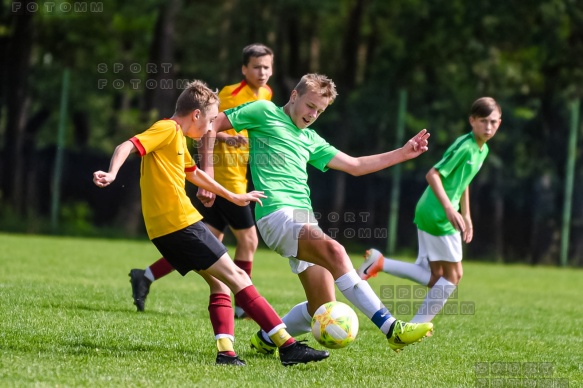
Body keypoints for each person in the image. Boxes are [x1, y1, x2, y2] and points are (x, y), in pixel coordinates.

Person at [93, 80, 329, 366]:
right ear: (195, 114)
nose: (209, 130)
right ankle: (287, 345)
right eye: (208, 121)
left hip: (164, 231)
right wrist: (112, 173)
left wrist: (232, 195)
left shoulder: (178, 139)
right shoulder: (167, 129)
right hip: (182, 224)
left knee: (219, 284)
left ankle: (226, 353)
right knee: (239, 278)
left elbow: (193, 174)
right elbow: (126, 145)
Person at [207, 73, 434, 353]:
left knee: (324, 308)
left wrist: (402, 153)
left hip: (303, 218)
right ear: (294, 96)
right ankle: (392, 328)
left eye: (319, 111)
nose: (313, 114)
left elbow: (355, 165)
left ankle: (265, 340)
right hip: (275, 213)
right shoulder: (263, 111)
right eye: (310, 106)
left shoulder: (310, 138)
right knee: (337, 252)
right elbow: (213, 122)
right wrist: (208, 173)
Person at [129, 44, 274, 319]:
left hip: (235, 177)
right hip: (222, 179)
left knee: (205, 246)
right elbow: (208, 128)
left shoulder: (266, 94)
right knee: (249, 240)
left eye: (267, 66)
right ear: (244, 69)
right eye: (256, 66)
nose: (262, 71)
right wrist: (209, 166)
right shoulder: (231, 94)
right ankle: (243, 304)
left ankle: (146, 275)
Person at [358, 97, 502, 323]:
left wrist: (466, 214)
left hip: (431, 210)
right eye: (483, 121)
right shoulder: (466, 146)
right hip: (438, 214)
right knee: (454, 276)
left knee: (438, 278)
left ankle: (380, 263)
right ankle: (416, 326)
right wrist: (449, 209)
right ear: (472, 120)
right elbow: (432, 174)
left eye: (493, 122)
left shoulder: (481, 149)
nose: (488, 127)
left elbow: (463, 181)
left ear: (499, 123)